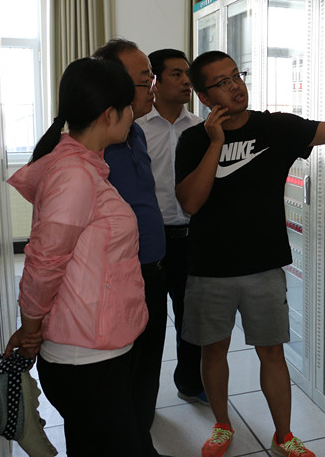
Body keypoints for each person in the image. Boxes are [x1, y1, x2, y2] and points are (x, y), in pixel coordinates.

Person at [175, 50, 325, 457]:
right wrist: (216, 144)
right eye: (222, 82)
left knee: (272, 352)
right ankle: (222, 425)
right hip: (209, 268)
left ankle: (283, 435)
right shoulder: (194, 140)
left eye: (237, 76)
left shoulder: (275, 128)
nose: (235, 87)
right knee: (213, 350)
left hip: (264, 265)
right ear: (203, 96)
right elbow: (191, 203)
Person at [5, 58, 149, 456]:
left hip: (96, 348)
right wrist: (30, 329)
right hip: (85, 358)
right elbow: (44, 263)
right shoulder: (75, 176)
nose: (133, 114)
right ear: (108, 114)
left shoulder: (87, 168)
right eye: (128, 105)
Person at [93, 38, 168, 457]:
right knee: (122, 374)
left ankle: (143, 441)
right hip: (118, 280)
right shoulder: (94, 146)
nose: (153, 88)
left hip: (152, 269)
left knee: (148, 367)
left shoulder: (134, 132)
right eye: (145, 81)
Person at [137, 48, 205, 403]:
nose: (186, 81)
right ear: (155, 81)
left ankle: (191, 383)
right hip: (148, 240)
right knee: (145, 322)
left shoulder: (201, 128)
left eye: (188, 74)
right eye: (176, 74)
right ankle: (144, 397)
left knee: (191, 318)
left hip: (191, 237)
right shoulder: (135, 129)